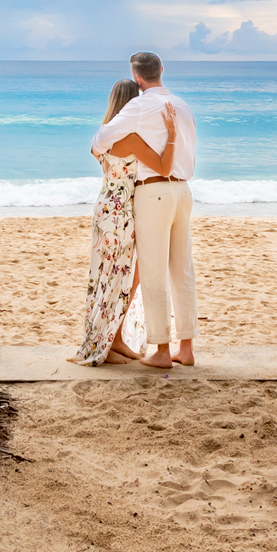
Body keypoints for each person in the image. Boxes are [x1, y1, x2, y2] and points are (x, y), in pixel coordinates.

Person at [92, 51, 199, 369]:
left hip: (154, 192)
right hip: (183, 191)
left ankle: (163, 351)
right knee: (182, 271)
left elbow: (101, 140)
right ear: (162, 70)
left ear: (137, 78)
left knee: (153, 273)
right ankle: (187, 348)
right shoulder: (182, 106)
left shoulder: (138, 106)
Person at [71, 79, 172, 365]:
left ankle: (113, 339)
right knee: (125, 274)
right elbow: (163, 166)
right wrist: (173, 135)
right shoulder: (131, 139)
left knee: (107, 275)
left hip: (105, 208)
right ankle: (111, 342)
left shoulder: (101, 138)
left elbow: (104, 164)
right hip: (122, 213)